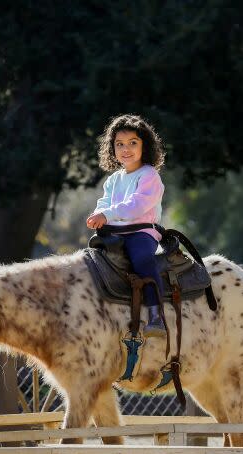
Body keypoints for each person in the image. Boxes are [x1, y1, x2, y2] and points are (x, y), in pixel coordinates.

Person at [86, 114, 167, 338]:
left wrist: (108, 213)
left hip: (141, 232)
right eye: (119, 144)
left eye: (133, 143)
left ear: (145, 146)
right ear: (112, 148)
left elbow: (137, 206)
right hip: (115, 233)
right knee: (91, 260)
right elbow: (104, 202)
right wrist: (97, 214)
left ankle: (155, 315)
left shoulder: (149, 175)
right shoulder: (113, 180)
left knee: (142, 259)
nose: (126, 149)